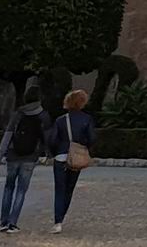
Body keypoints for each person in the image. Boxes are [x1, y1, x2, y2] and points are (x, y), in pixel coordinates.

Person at [0, 86, 49, 233]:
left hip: (13, 155)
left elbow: (7, 136)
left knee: (8, 188)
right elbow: (46, 138)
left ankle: (3, 221)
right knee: (21, 190)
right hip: (30, 157)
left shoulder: (18, 114)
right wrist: (46, 154)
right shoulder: (43, 115)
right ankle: (13, 222)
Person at [43, 89, 96, 235]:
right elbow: (92, 138)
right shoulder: (87, 119)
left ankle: (57, 221)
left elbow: (53, 139)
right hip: (76, 156)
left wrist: (54, 153)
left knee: (59, 189)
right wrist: (84, 146)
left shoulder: (61, 120)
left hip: (61, 156)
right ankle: (62, 217)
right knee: (69, 189)